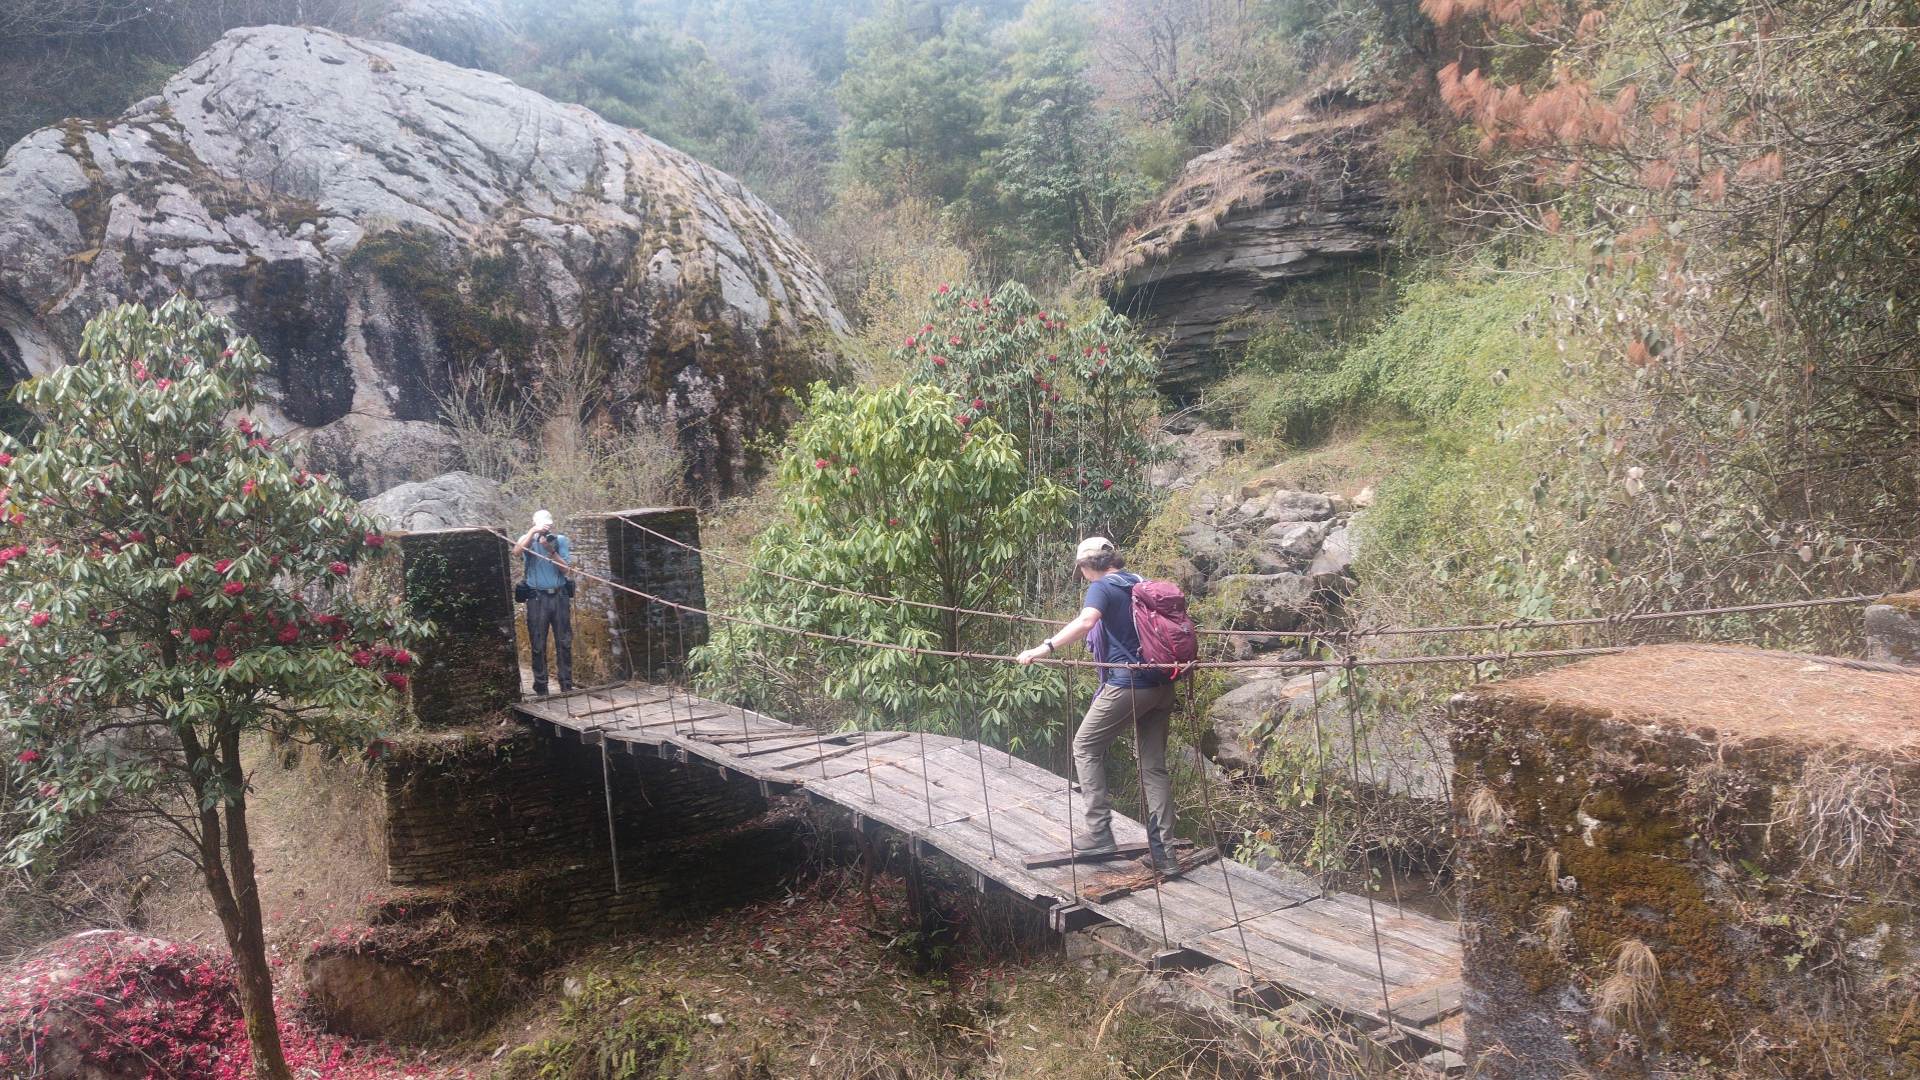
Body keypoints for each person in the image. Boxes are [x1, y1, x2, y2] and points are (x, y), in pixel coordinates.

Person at [1017, 537, 1179, 874]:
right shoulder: (1139, 582)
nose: (1083, 576)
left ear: (1087, 565)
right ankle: (1165, 854)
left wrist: (1043, 649)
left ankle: (1099, 832)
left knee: (1085, 746)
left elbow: (1086, 622)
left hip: (1129, 685)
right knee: (1154, 767)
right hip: (1163, 685)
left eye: (1082, 570)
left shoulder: (1102, 587)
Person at [514, 509, 574, 696]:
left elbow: (565, 569)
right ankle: (541, 686)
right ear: (534, 523)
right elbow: (516, 552)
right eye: (541, 525)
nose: (545, 529)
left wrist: (550, 550)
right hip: (537, 598)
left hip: (559, 596)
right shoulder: (527, 539)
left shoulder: (560, 540)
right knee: (538, 643)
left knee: (564, 642)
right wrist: (532, 533)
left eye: (547, 525)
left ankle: (566, 685)